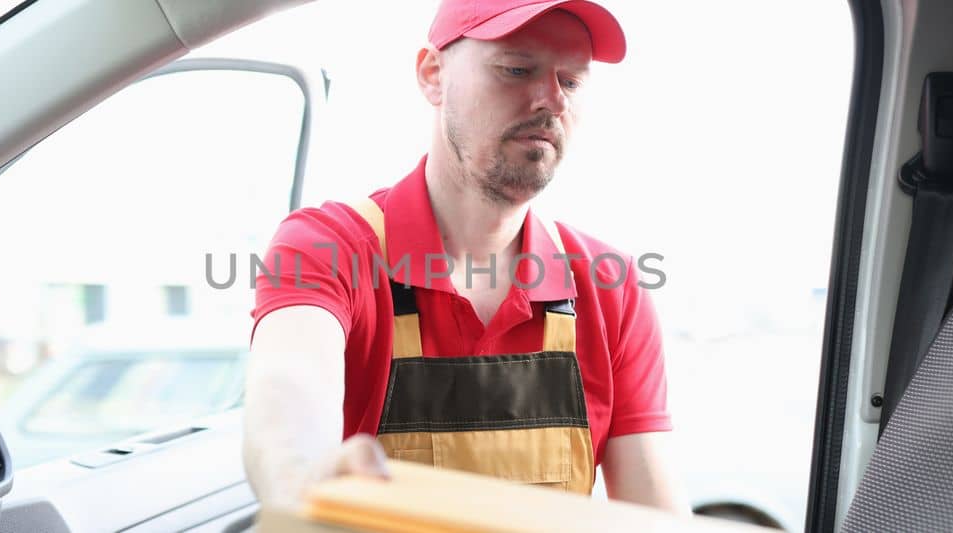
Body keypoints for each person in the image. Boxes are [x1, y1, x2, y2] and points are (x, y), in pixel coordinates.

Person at [242, 0, 687, 515]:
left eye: (571, 81)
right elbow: (288, 393)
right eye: (516, 69)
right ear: (432, 75)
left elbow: (655, 516)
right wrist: (299, 475)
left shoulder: (612, 286)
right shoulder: (328, 247)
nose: (551, 101)